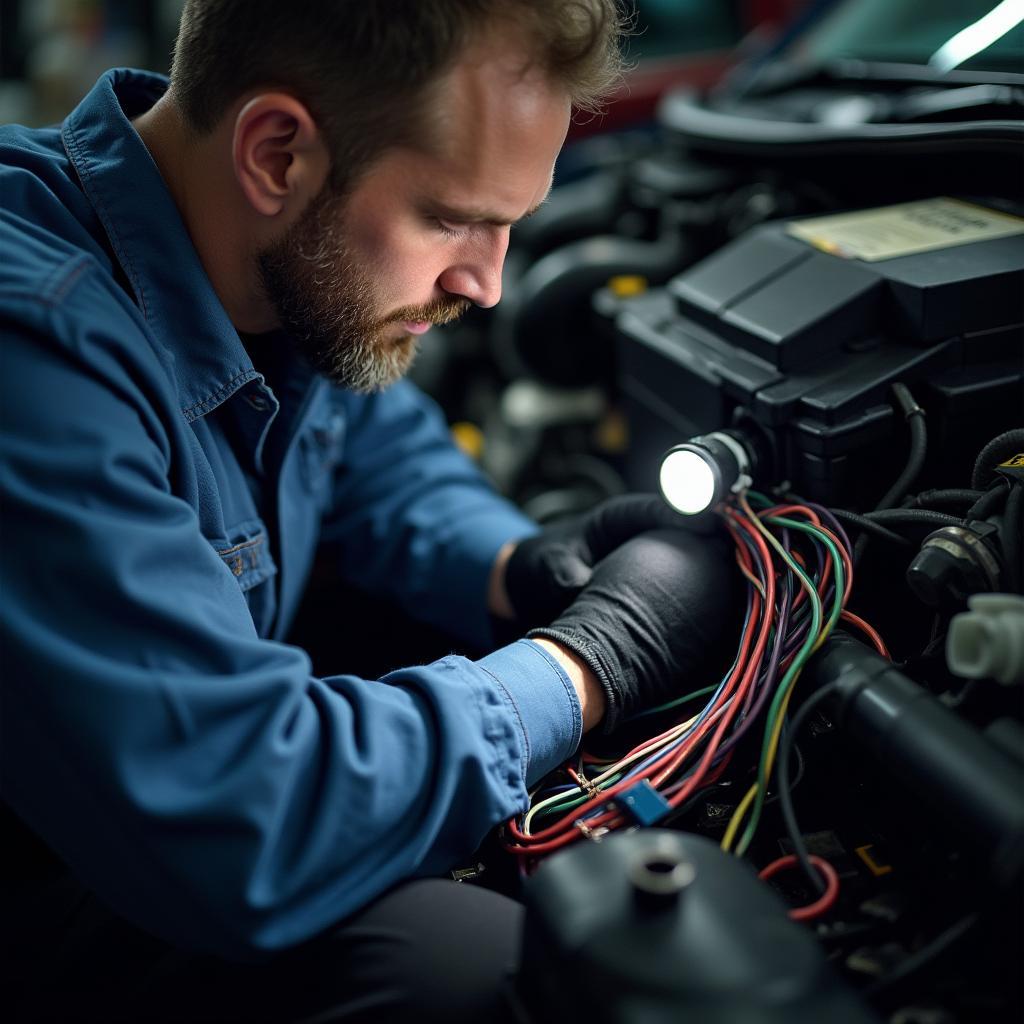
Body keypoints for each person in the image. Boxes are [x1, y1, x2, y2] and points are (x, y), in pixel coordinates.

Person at [0, 2, 736, 1020]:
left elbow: (373, 451)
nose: (487, 283)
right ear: (277, 152)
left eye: (511, 221)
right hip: (50, 887)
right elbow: (243, 813)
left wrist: (520, 567)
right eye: (449, 217)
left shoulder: (270, 264)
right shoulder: (34, 348)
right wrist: (590, 663)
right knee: (475, 971)